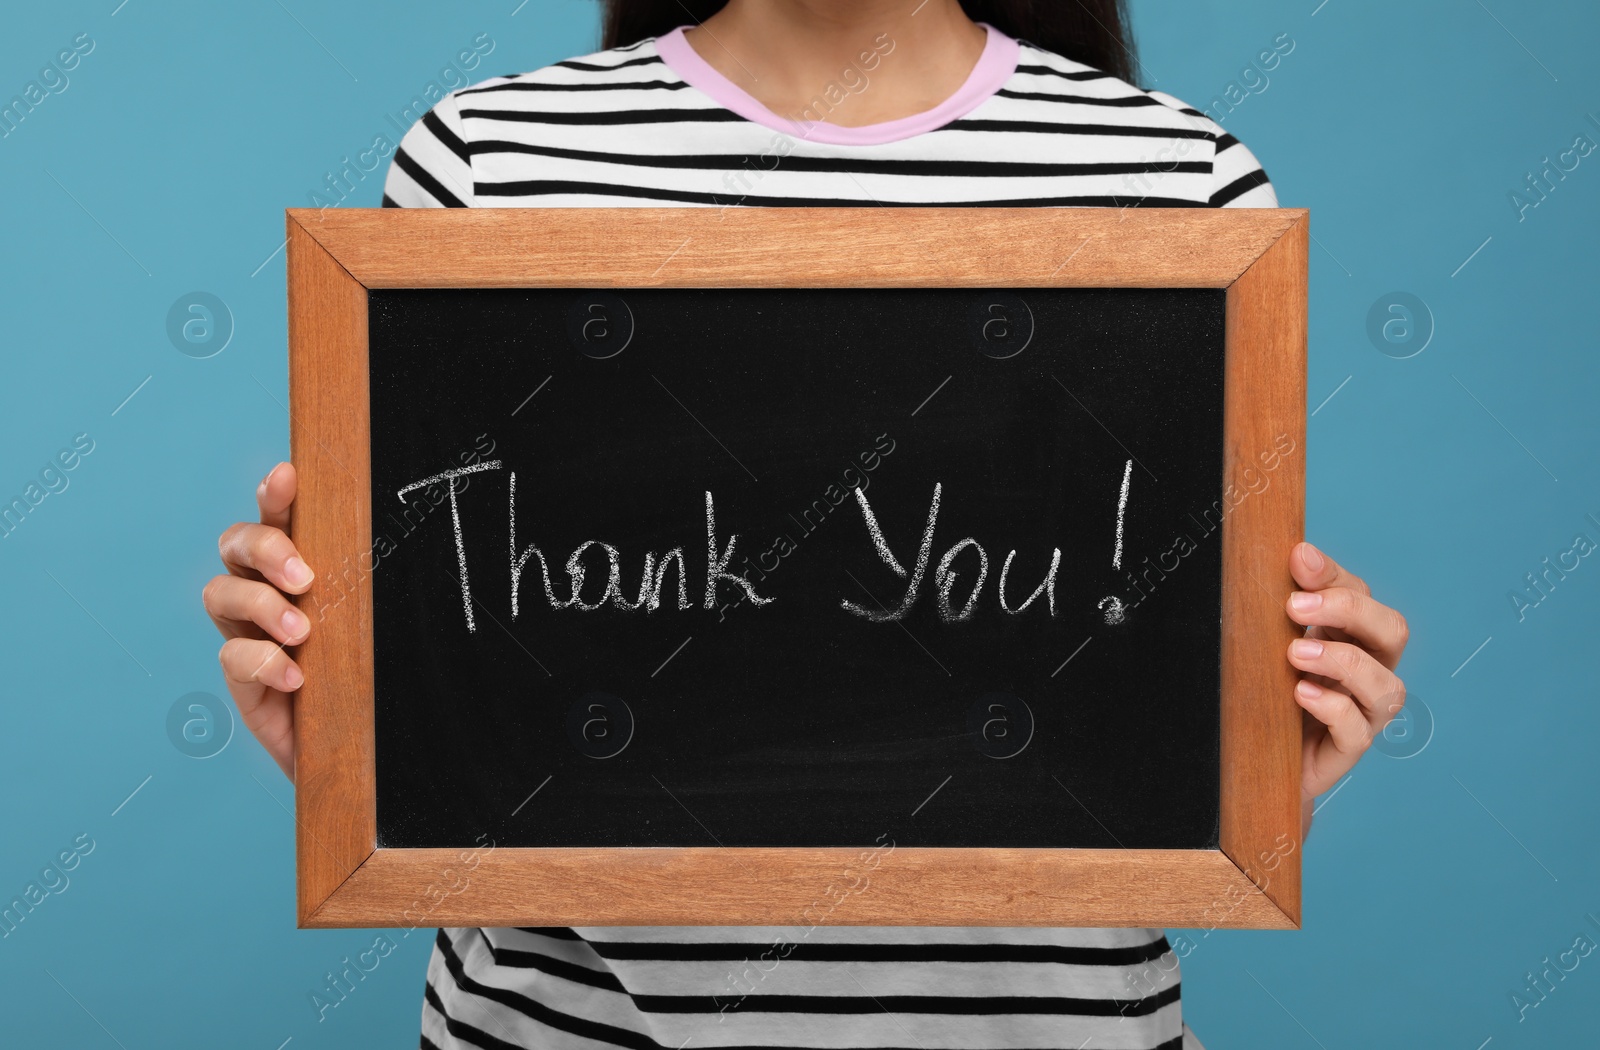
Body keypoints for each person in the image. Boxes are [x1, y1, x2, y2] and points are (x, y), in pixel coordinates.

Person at [204, 1, 1410, 1046]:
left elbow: (1137, 720)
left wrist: (1242, 758)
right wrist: (366, 736)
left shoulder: (1175, 179)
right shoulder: (488, 163)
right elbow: (463, 704)